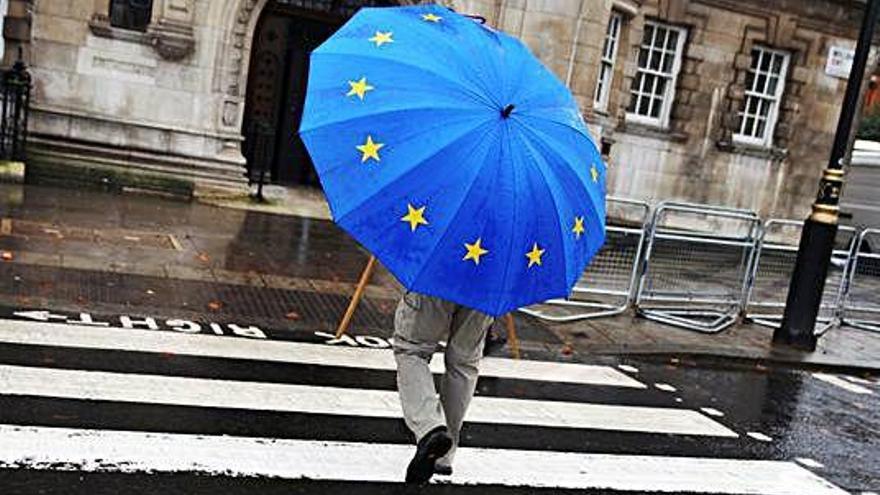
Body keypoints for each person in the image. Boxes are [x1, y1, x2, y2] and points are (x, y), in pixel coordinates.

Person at [392, 291, 494, 484]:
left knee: (412, 350)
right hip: (487, 282)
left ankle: (429, 426)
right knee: (464, 363)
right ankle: (443, 456)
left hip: (439, 272)